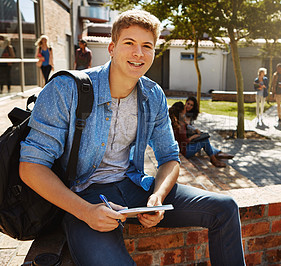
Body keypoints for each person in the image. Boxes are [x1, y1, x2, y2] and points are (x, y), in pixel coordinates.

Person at [20, 9, 245, 266]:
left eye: (147, 46)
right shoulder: (65, 89)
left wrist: (157, 198)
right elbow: (31, 166)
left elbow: (170, 158)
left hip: (134, 187)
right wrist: (84, 211)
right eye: (130, 43)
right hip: (82, 196)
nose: (139, 53)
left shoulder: (153, 95)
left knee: (225, 207)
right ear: (112, 48)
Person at [169, 102, 233, 168]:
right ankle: (214, 160)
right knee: (205, 141)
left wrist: (195, 132)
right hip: (184, 152)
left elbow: (186, 127)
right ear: (182, 111)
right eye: (185, 108)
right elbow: (184, 142)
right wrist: (193, 137)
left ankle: (215, 156)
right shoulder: (180, 125)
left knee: (203, 138)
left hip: (179, 149)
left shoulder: (176, 121)